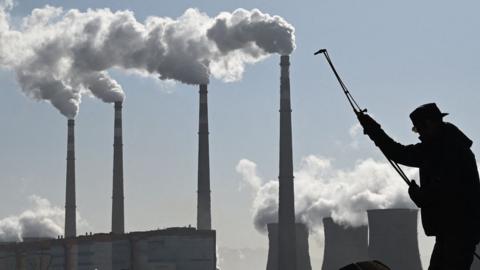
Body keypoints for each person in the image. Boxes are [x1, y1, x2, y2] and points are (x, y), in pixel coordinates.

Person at [357, 103, 480, 270]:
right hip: (454, 231)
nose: (419, 135)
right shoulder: (446, 145)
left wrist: (420, 196)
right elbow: (399, 154)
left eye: (418, 130)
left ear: (429, 124)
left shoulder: (445, 149)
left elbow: (446, 191)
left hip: (457, 231)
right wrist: (372, 128)